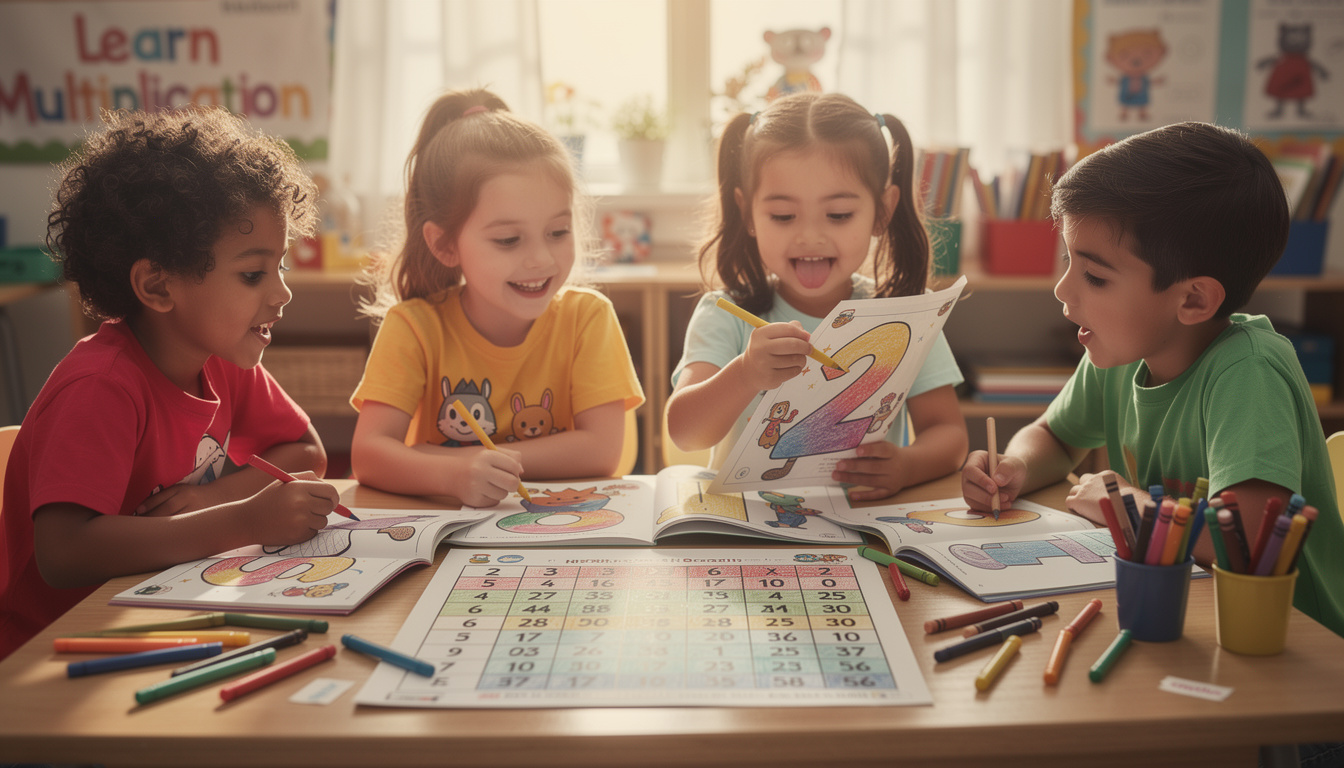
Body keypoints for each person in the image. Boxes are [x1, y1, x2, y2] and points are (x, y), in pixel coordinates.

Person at [961, 122, 1343, 641]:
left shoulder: (1248, 372)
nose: (1061, 288)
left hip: (1290, 645)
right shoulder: (1120, 353)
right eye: (1069, 261)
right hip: (1190, 616)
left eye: (1095, 276)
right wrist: (1015, 467)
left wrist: (1130, 508)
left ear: (1192, 300)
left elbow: (1249, 538)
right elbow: (1054, 436)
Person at [0, 107, 341, 660]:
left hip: (157, 615)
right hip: (51, 656)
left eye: (279, 267)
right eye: (254, 274)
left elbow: (305, 451)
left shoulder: (223, 357)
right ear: (157, 285)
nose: (282, 294)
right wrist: (242, 518)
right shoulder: (100, 387)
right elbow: (61, 553)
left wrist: (215, 496)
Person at [665, 92, 968, 502]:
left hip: (861, 529)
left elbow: (949, 435)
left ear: (882, 210)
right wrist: (746, 374)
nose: (809, 236)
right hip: (746, 531)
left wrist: (908, 466)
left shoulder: (904, 316)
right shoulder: (727, 314)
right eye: (783, 216)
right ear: (747, 213)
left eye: (839, 214)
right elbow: (685, 432)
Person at [350, 89, 643, 507]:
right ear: (445, 244)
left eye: (558, 232)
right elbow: (368, 455)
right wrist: (453, 474)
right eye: (508, 240)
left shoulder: (588, 318)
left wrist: (469, 460)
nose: (541, 259)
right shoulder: (414, 327)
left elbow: (602, 452)